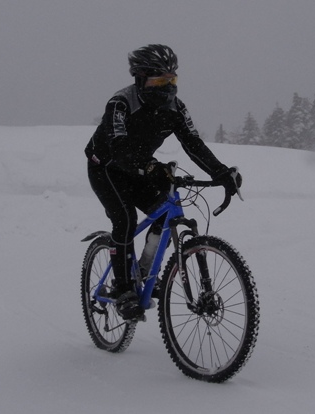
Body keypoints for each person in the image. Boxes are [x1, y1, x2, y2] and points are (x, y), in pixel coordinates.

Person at [84, 44, 242, 320]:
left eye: (172, 80)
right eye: (159, 80)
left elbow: (193, 143)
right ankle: (123, 291)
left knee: (163, 212)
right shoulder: (121, 103)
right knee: (125, 219)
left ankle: (143, 272)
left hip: (140, 170)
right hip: (106, 167)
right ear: (140, 78)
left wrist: (221, 172)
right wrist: (149, 166)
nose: (167, 87)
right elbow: (119, 148)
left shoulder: (175, 108)